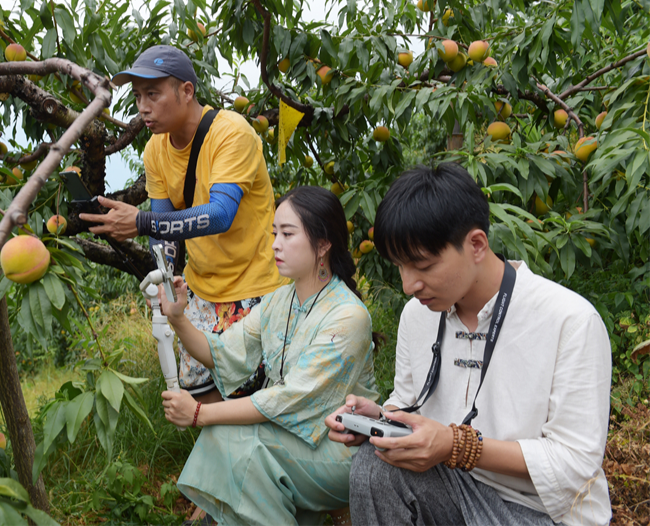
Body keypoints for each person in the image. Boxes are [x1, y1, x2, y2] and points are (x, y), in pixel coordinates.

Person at [325, 163, 612, 526]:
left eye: (423, 266)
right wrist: (381, 419)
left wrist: (457, 445)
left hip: (542, 512)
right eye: (400, 266)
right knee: (375, 464)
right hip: (455, 489)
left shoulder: (569, 320)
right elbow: (411, 403)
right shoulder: (417, 315)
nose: (408, 285)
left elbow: (574, 463)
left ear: (476, 244)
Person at [158, 186, 379, 525]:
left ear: (322, 244)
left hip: (342, 449)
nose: (275, 244)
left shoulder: (348, 316)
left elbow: (287, 399)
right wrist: (177, 317)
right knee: (236, 442)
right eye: (275, 233)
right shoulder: (279, 301)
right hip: (289, 437)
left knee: (240, 445)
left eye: (288, 234)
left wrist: (201, 412)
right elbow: (219, 353)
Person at [81, 45, 285, 403]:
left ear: (187, 91)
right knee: (201, 403)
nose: (143, 106)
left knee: (251, 405)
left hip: (254, 288)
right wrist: (165, 278)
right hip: (200, 293)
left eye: (154, 94)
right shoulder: (155, 150)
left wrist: (142, 221)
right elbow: (163, 234)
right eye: (139, 96)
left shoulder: (231, 134)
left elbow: (220, 214)